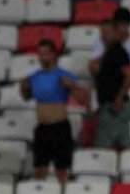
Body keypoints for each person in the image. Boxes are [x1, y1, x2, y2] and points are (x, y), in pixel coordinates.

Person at [20, 40, 89, 185]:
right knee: (39, 169)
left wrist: (71, 86)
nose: (41, 57)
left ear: (53, 55)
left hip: (60, 127)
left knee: (62, 171)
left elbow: (84, 99)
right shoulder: (34, 77)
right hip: (42, 128)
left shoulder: (64, 75)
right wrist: (24, 88)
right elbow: (26, 97)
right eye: (40, 54)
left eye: (45, 54)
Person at [92, 20, 130, 149]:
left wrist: (119, 99)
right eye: (102, 33)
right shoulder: (109, 53)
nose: (104, 36)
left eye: (108, 33)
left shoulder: (118, 52)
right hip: (112, 105)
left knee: (102, 148)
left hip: (115, 106)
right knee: (123, 145)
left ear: (116, 33)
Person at [90, 7, 130, 79]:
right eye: (119, 23)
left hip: (127, 79)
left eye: (124, 24)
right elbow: (94, 64)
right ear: (114, 24)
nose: (121, 27)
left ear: (129, 25)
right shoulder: (101, 40)